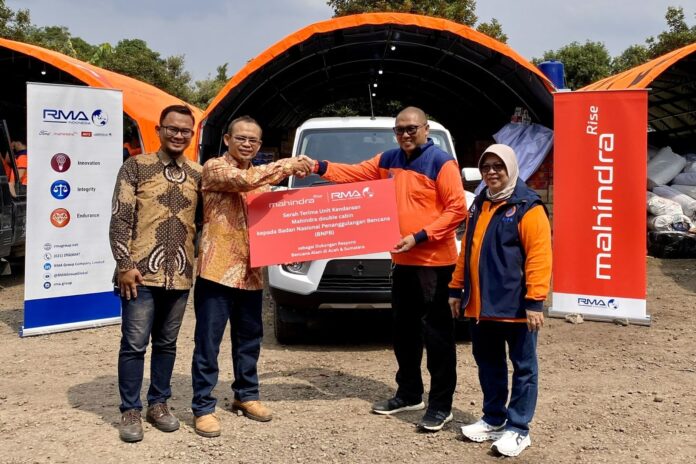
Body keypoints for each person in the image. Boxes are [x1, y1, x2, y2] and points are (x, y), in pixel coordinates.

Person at [310, 106, 468, 432]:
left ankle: (441, 405)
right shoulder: (388, 160)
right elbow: (354, 173)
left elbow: (456, 210)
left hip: (435, 265)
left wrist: (420, 236)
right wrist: (318, 166)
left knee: (437, 336)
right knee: (404, 331)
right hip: (402, 263)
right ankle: (409, 393)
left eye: (412, 128)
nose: (405, 134)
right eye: (400, 129)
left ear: (426, 129)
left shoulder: (441, 163)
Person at [191, 115, 312, 438]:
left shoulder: (263, 180)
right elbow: (243, 181)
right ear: (227, 140)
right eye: (241, 138)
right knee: (208, 342)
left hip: (251, 273)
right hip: (216, 272)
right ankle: (202, 407)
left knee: (249, 340)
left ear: (259, 145)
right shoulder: (215, 168)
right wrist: (288, 165)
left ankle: (246, 395)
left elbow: (280, 217)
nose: (247, 144)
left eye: (253, 140)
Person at [448, 144, 551, 457]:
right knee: (489, 366)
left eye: (498, 166)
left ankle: (518, 428)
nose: (491, 172)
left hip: (516, 308)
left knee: (524, 369)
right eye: (486, 167)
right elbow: (467, 249)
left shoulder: (527, 206)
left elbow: (539, 255)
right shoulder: (481, 203)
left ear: (511, 168)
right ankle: (493, 419)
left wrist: (535, 301)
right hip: (481, 307)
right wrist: (456, 288)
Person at [109, 104, 202, 443]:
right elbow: (120, 218)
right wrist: (124, 265)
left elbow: (204, 222)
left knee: (167, 344)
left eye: (185, 131)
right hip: (139, 276)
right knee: (134, 344)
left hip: (180, 275)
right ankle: (130, 410)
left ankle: (158, 404)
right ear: (159, 130)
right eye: (172, 129)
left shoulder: (198, 174)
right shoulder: (136, 166)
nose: (178, 135)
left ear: (191, 135)